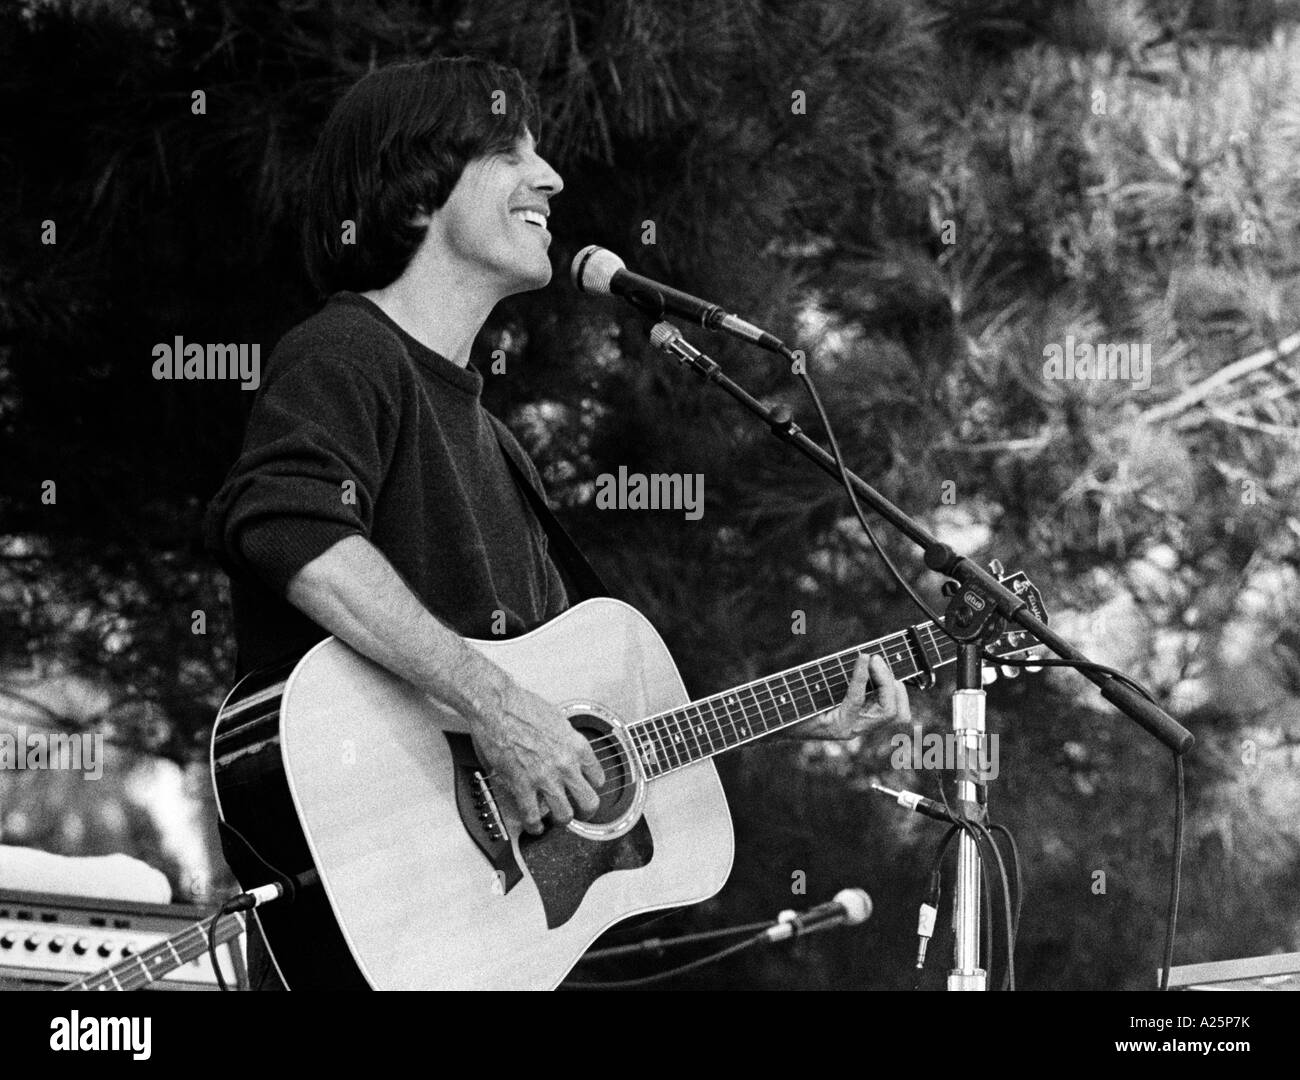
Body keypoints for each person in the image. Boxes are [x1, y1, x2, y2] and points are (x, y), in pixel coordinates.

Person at [204, 55, 909, 987]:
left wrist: (788, 720)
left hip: (478, 940)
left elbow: (588, 728)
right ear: (416, 192)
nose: (553, 178)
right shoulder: (346, 353)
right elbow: (294, 535)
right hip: (374, 903)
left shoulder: (497, 448)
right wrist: (495, 706)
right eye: (509, 153)